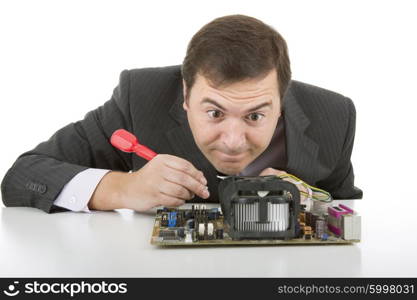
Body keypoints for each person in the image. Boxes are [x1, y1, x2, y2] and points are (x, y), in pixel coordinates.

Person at [0, 14, 363, 214]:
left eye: (255, 116)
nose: (234, 143)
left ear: (281, 100)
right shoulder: (141, 97)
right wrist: (122, 187)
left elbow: (345, 212)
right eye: (215, 112)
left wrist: (310, 199)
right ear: (186, 95)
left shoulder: (334, 116)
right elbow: (22, 175)